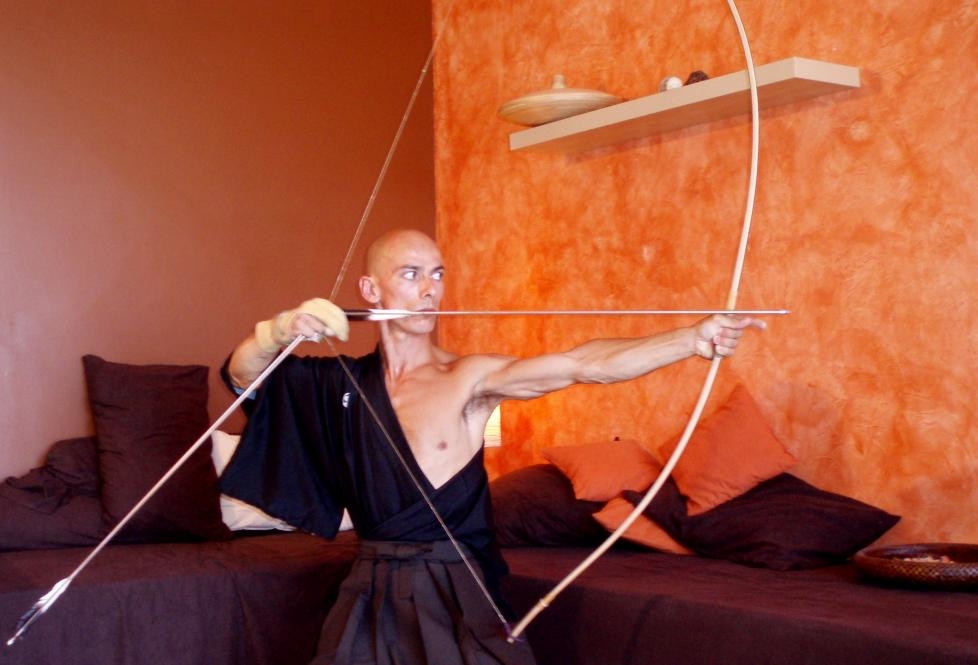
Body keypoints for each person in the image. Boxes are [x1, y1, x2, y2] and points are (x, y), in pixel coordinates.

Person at [219, 229, 764, 665]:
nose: (430, 290)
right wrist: (278, 330)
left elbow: (583, 364)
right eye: (410, 274)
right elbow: (245, 376)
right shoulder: (337, 382)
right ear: (370, 290)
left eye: (438, 274)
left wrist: (689, 340)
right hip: (372, 579)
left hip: (453, 583)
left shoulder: (468, 378)